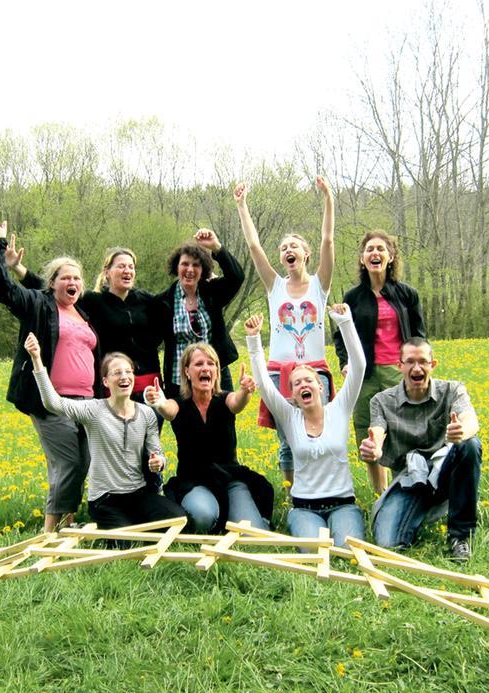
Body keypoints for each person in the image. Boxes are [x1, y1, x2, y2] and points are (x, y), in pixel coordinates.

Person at [0, 212, 101, 533]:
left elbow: (37, 283)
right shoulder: (38, 304)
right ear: (52, 283)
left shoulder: (83, 312)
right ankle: (51, 532)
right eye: (65, 278)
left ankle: (67, 526)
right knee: (69, 463)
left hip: (86, 403)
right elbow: (5, 290)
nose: (72, 283)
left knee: (83, 462)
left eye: (76, 278)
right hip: (51, 400)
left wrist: (23, 269)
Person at [25, 336, 186, 541]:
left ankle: (129, 525)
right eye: (117, 373)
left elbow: (158, 454)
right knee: (124, 543)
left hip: (138, 494)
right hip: (105, 498)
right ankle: (116, 528)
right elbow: (52, 403)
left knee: (178, 520)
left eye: (128, 372)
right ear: (105, 381)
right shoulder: (94, 410)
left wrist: (159, 462)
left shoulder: (147, 414)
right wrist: (37, 359)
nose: (124, 377)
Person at [234, 176, 336, 486]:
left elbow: (328, 241)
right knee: (288, 439)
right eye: (282, 248)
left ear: (306, 254)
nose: (287, 250)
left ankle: (322, 486)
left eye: (294, 246)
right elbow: (253, 246)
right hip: (279, 373)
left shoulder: (320, 285)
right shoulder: (274, 286)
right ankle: (294, 495)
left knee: (319, 431)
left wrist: (328, 198)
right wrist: (241, 205)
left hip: (314, 370)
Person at [245, 303, 366, 547]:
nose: (303, 385)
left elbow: (359, 367)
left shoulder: (339, 409)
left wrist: (345, 322)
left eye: (308, 380)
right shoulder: (290, 418)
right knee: (312, 551)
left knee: (345, 550)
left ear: (321, 387)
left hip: (343, 505)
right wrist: (254, 339)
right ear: (293, 394)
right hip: (304, 509)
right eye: (296, 383)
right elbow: (264, 384)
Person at [358, 337, 482, 561]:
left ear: (432, 365)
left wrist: (461, 431)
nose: (417, 368)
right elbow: (377, 429)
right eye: (410, 362)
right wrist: (374, 447)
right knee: (388, 543)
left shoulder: (452, 390)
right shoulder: (381, 401)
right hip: (410, 480)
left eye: (423, 362)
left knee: (470, 444)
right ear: (400, 366)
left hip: (444, 471)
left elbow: (470, 420)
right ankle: (423, 509)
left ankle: (460, 536)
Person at [7, 244, 162, 404]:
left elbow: (173, 303)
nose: (127, 271)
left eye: (131, 267)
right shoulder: (92, 301)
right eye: (121, 266)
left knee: (149, 429)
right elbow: (54, 289)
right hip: (112, 385)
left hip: (148, 384)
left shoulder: (147, 301)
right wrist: (18, 268)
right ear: (107, 272)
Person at [144, 344, 274, 534]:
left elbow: (237, 403)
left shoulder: (225, 399)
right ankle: (216, 517)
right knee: (202, 517)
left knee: (251, 532)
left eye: (211, 363)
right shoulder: (179, 404)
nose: (205, 368)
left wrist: (246, 391)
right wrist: (157, 401)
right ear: (187, 371)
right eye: (198, 364)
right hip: (194, 480)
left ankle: (234, 515)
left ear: (216, 371)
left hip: (229, 477)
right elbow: (167, 409)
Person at [335, 230, 426, 493]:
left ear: (391, 256)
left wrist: (417, 365)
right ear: (362, 259)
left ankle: (406, 488)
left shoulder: (407, 294)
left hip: (398, 373)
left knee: (402, 430)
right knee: (367, 431)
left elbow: (419, 335)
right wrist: (345, 362)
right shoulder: (352, 298)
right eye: (369, 250)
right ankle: (381, 494)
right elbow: (340, 335)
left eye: (381, 249)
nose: (375, 253)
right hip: (364, 375)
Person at [154, 229, 244, 399]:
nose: (190, 269)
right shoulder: (163, 301)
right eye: (185, 264)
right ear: (176, 267)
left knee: (223, 422)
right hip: (179, 380)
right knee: (185, 425)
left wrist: (216, 247)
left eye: (196, 265)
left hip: (215, 377)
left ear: (203, 270)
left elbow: (236, 277)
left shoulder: (211, 292)